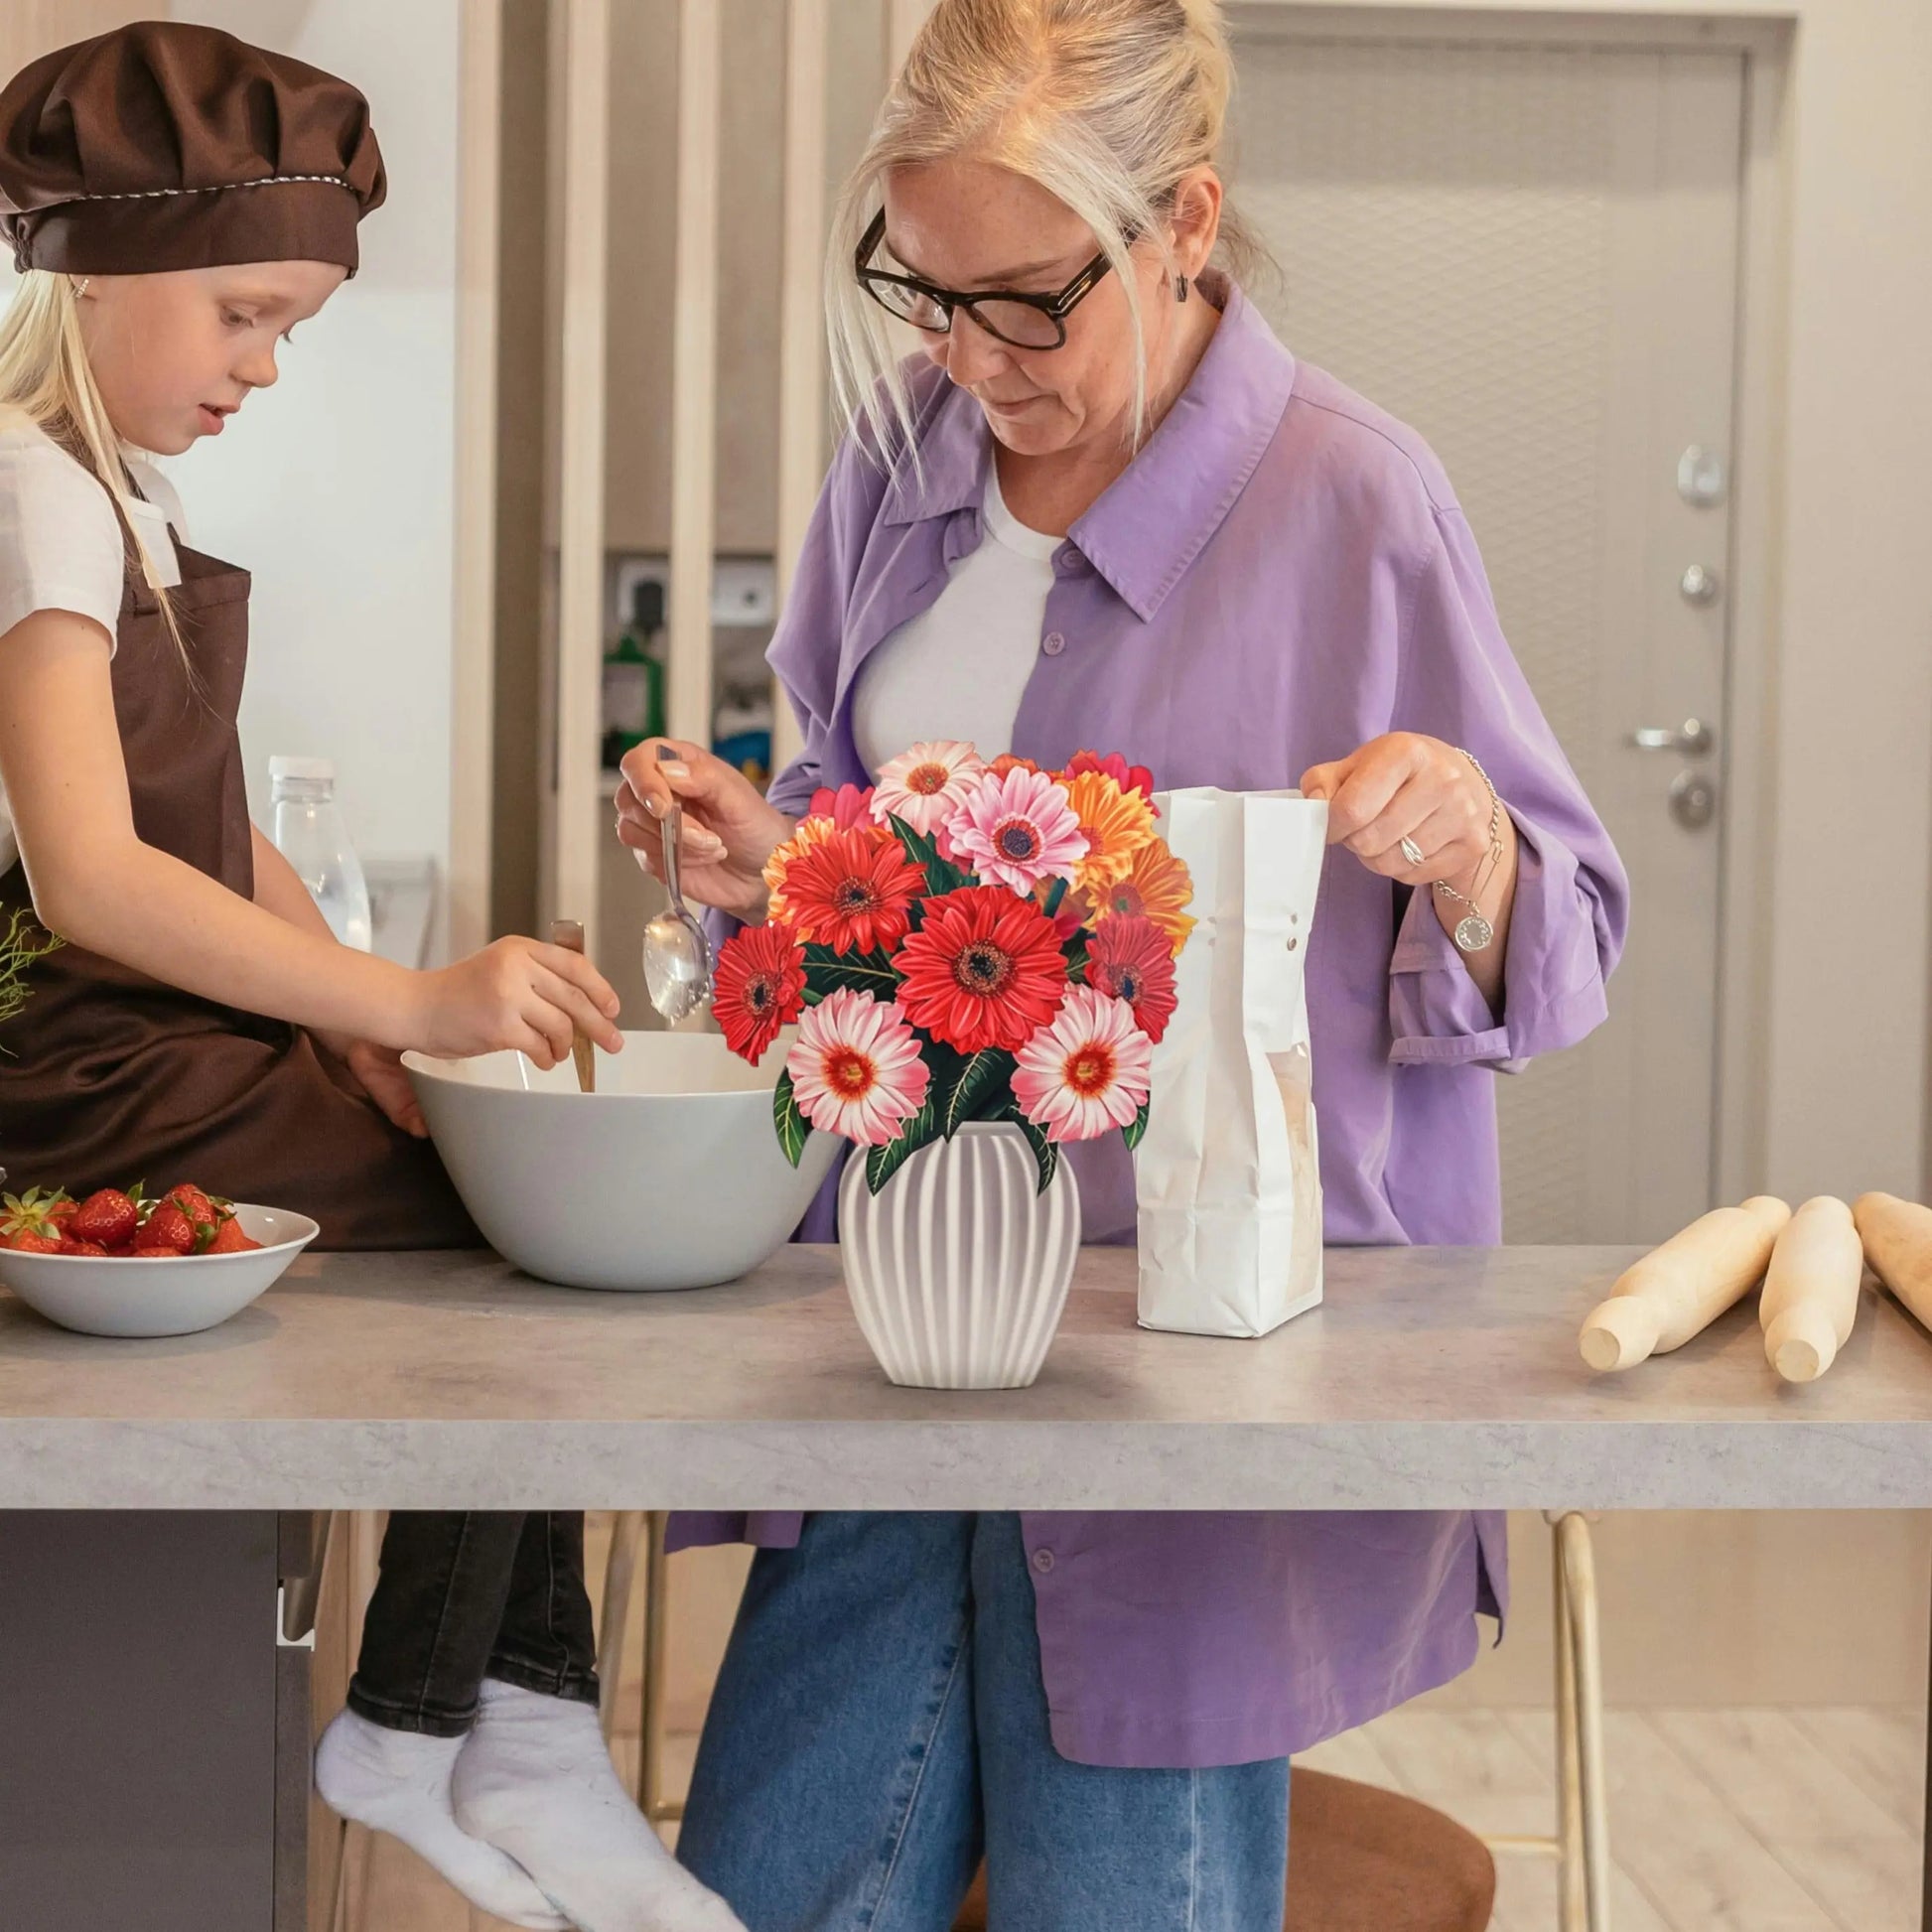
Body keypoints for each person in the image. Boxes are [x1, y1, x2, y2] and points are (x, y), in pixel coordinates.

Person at [615, 1, 1629, 1927]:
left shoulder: (1355, 498)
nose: (971, 357)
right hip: (899, 1315)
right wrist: (763, 855)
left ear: (1184, 222)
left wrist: (1468, 850)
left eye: (1028, 302)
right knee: (765, 1884)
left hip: (1192, 1379)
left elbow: (1561, 936)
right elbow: (855, 849)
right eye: (927, 290)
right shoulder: (902, 462)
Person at [0, 25, 736, 1932]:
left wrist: (359, 1017)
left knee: (520, 1208)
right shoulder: (29, 493)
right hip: (79, 1077)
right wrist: (418, 1009)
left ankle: (501, 1723)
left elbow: (214, 845)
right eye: (245, 315)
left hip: (151, 1053)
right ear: (97, 270)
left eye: (289, 330)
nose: (262, 367)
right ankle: (478, 1726)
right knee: (540, 1231)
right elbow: (90, 881)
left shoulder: (107, 497)